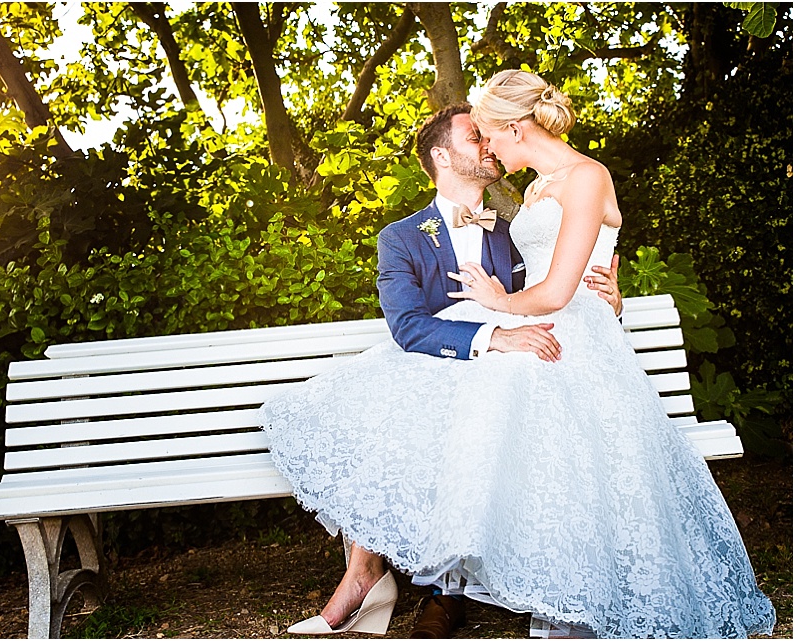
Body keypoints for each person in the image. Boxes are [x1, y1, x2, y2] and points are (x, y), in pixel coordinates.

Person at [260, 70, 775, 639]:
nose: (488, 146)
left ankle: (532, 593)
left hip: (552, 334)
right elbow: (415, 325)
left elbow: (562, 286)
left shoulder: (558, 193)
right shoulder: (460, 217)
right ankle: (372, 578)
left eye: (488, 133)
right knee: (392, 398)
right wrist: (497, 326)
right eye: (474, 137)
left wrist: (559, 302)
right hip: (503, 336)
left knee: (518, 410)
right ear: (440, 155)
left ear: (513, 126)